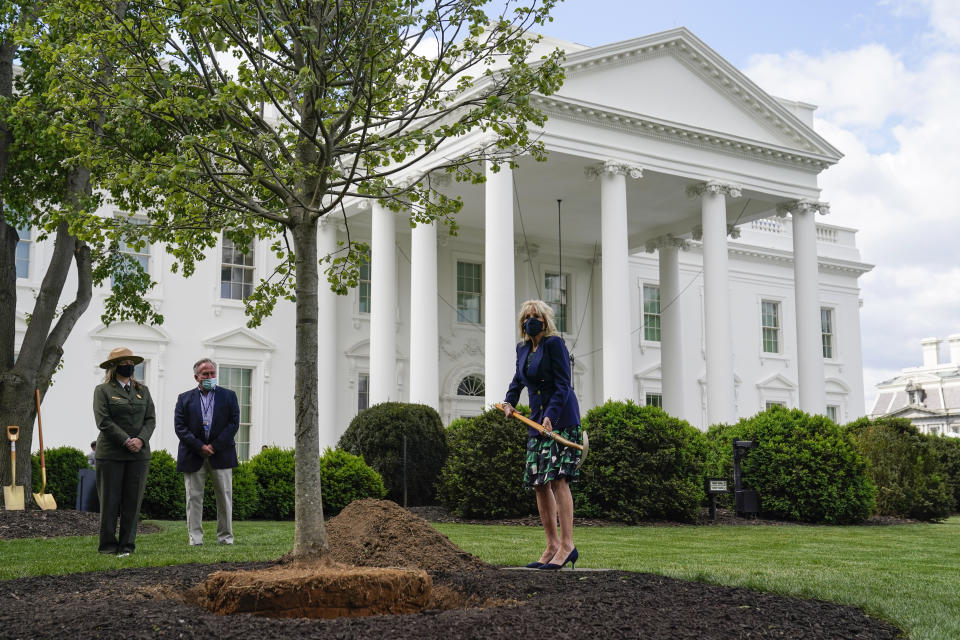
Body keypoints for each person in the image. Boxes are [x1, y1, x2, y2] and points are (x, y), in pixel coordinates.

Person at [501, 300, 582, 570]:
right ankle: (551, 545)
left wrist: (551, 416)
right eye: (526, 316)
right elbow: (517, 380)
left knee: (558, 480)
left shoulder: (554, 345)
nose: (531, 320)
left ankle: (567, 545)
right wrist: (509, 401)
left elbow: (563, 384)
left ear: (545, 321)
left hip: (560, 418)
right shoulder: (523, 349)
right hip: (536, 421)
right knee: (539, 483)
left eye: (536, 316)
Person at [93, 346, 155, 557]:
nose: (129, 365)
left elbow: (150, 419)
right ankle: (108, 547)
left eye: (131, 362)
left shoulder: (142, 391)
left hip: (139, 455)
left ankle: (127, 546)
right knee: (110, 502)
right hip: (111, 454)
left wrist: (140, 440)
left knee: (132, 502)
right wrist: (126, 440)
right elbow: (103, 421)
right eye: (124, 362)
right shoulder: (103, 391)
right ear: (113, 366)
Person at [174, 358, 240, 546]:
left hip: (222, 454)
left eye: (212, 373)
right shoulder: (184, 398)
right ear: (197, 377)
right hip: (193, 455)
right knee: (193, 498)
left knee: (225, 498)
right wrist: (200, 446)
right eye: (206, 374)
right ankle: (195, 539)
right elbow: (180, 427)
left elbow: (233, 424)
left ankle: (225, 538)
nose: (210, 377)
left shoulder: (229, 396)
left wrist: (214, 446)